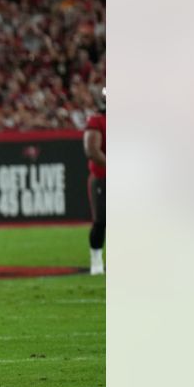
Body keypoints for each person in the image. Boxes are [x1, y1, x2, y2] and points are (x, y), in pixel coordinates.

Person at [83, 88, 106, 275]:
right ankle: (96, 261)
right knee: (101, 221)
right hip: (103, 177)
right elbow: (92, 151)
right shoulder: (97, 121)